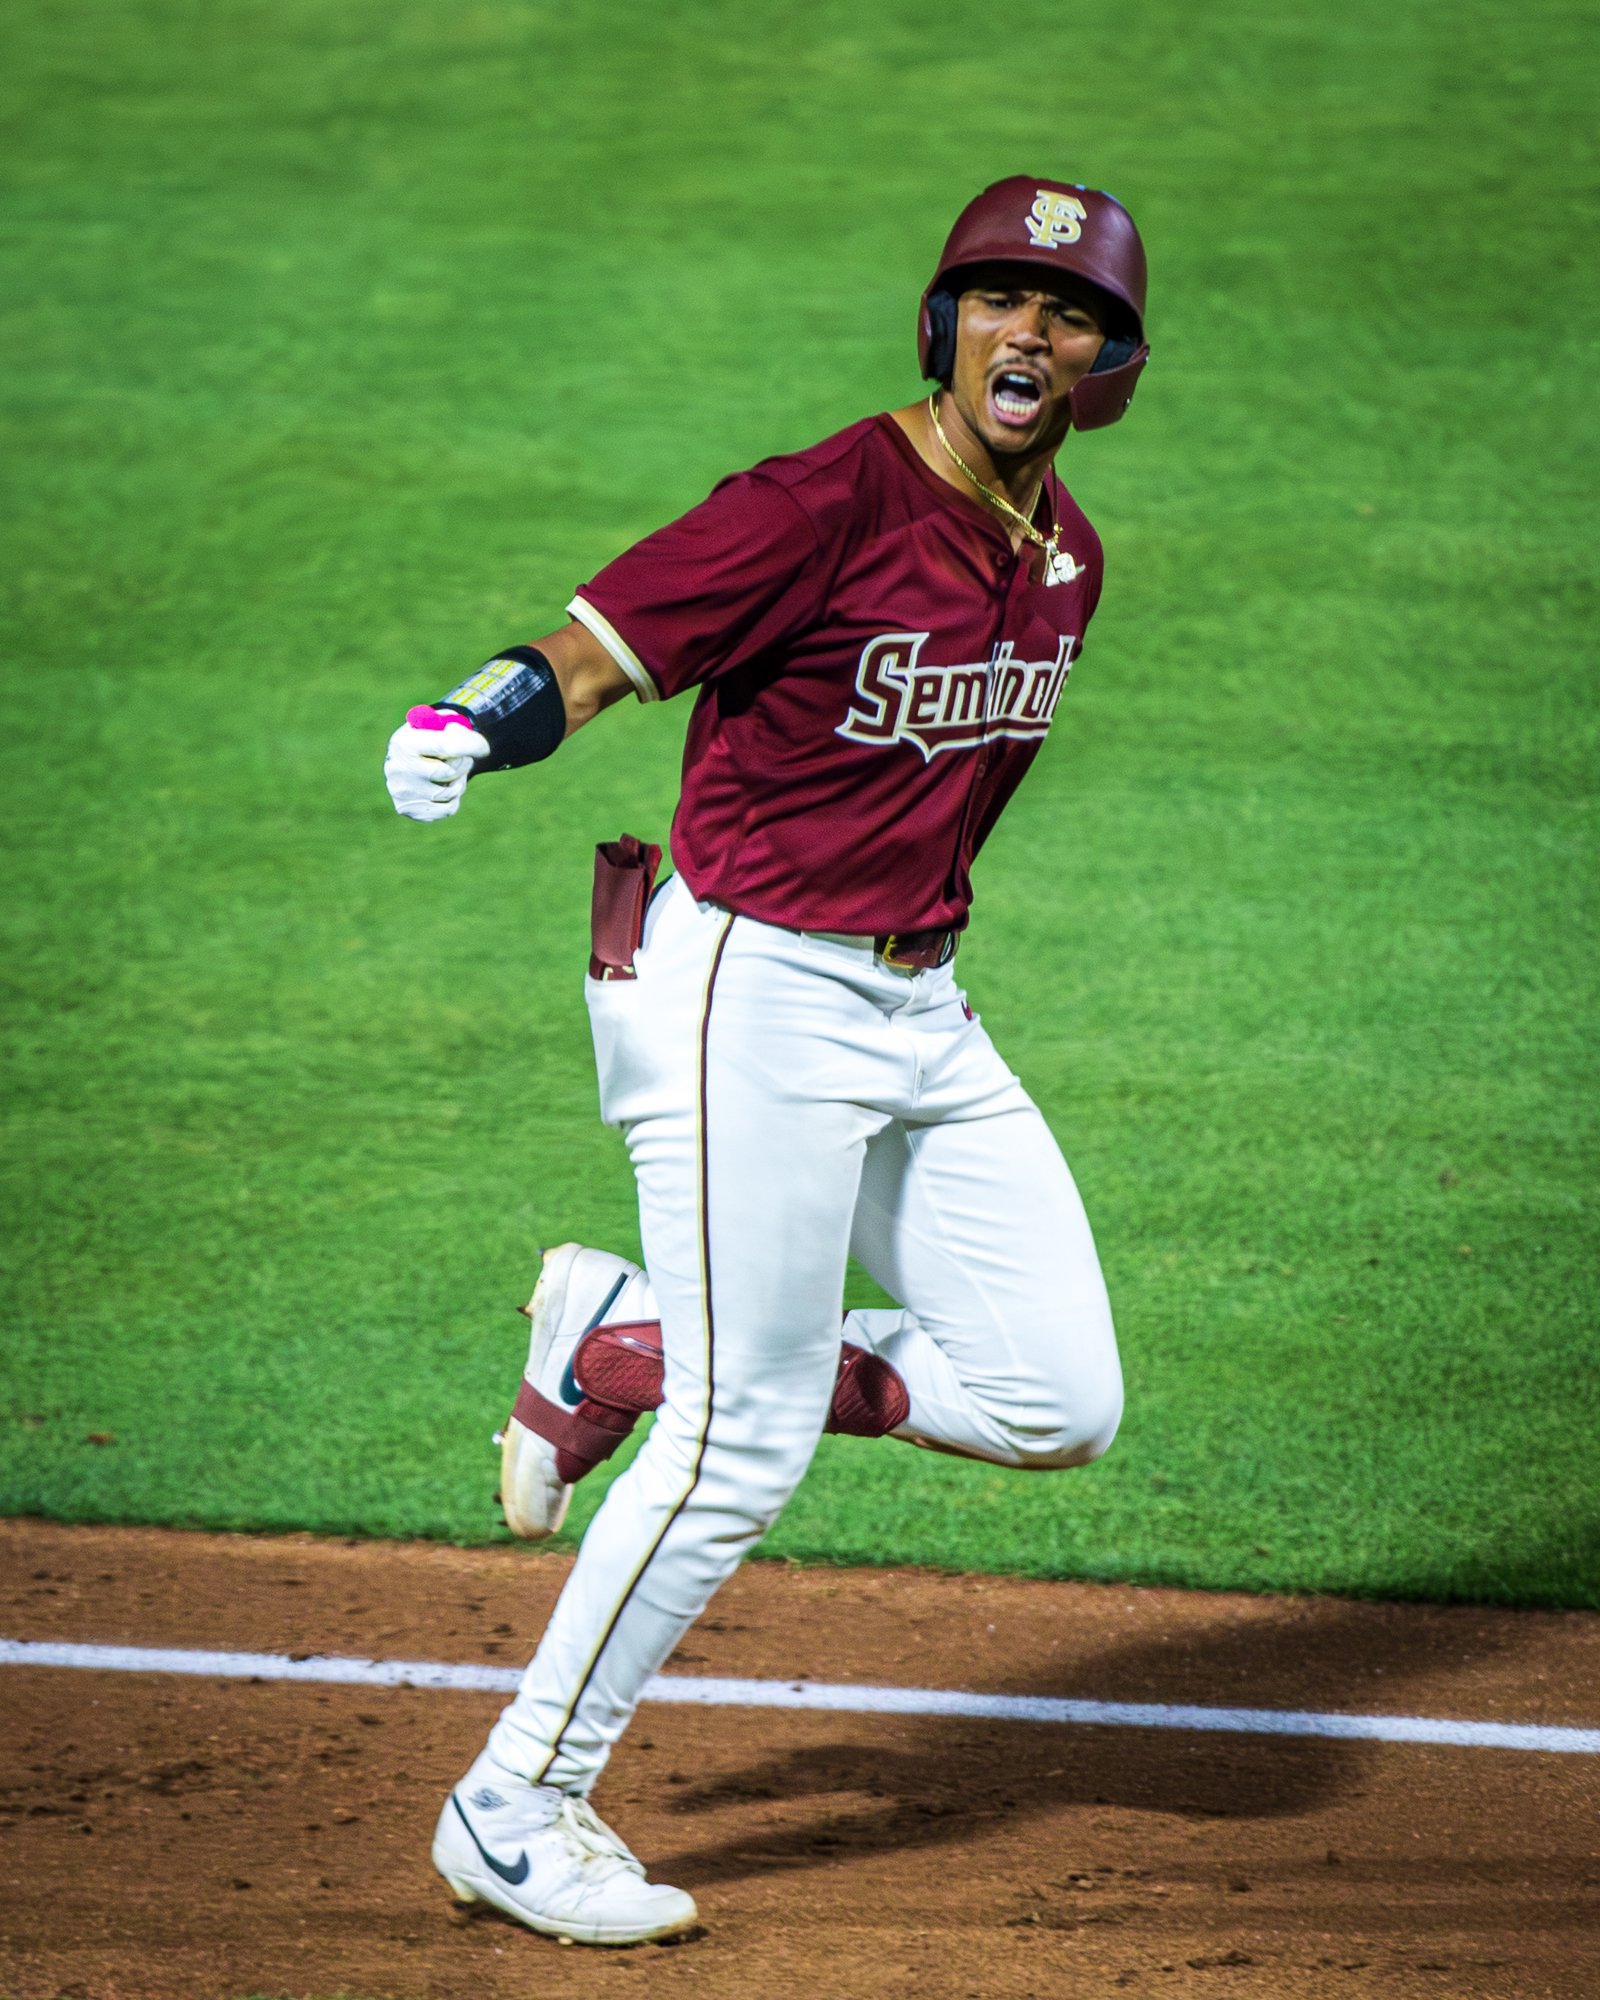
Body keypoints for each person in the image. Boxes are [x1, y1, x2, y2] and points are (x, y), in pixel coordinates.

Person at [383, 176, 1150, 1947]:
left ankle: (631, 1336)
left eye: (1069, 312)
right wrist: (470, 725)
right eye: (996, 300)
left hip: (921, 1011)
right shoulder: (819, 502)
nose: (1028, 332)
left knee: (1054, 1401)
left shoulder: (1069, 560)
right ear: (943, 326)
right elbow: (601, 653)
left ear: (1111, 360)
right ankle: (516, 1804)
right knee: (742, 1441)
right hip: (751, 997)